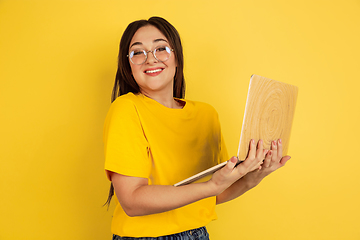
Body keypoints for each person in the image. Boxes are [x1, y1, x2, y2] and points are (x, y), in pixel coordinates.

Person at [103, 16, 291, 240]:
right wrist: (211, 187)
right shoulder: (126, 108)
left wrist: (254, 176)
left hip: (198, 234)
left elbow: (215, 194)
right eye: (138, 52)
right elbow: (132, 202)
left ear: (177, 57)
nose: (150, 59)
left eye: (160, 48)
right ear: (128, 65)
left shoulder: (206, 114)